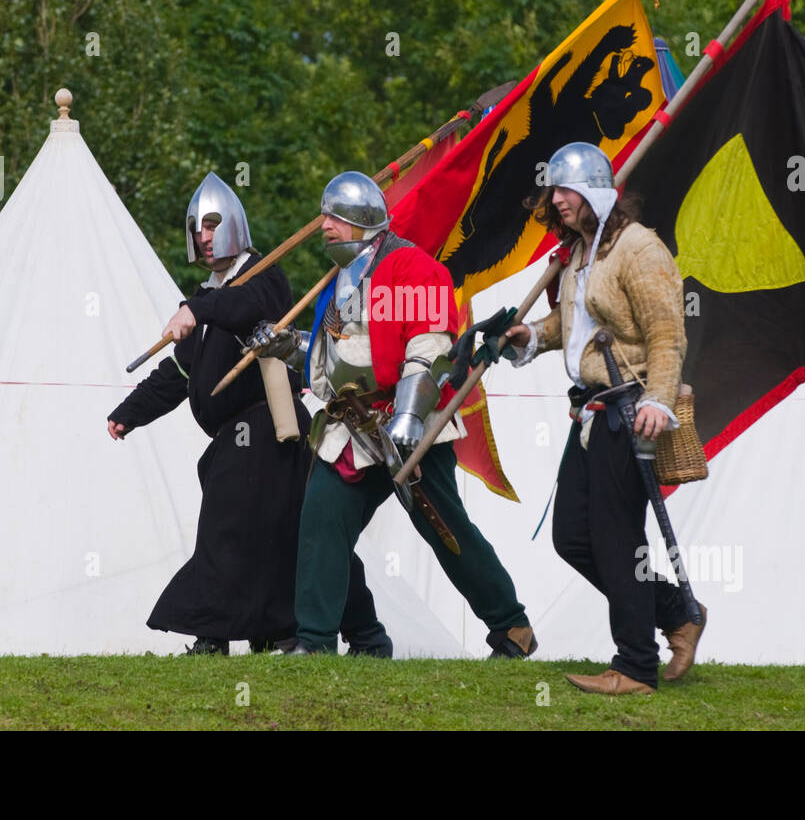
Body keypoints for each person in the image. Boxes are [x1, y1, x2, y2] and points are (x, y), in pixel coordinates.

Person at [251, 171, 537, 658]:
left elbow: (429, 347)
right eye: (324, 216)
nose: (324, 226)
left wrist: (409, 417)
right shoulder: (339, 280)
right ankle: (316, 642)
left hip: (409, 424)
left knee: (445, 529)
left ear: (364, 221)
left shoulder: (410, 267)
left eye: (335, 217)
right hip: (350, 426)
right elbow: (336, 357)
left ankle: (511, 626)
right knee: (321, 521)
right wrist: (289, 345)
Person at [106, 171, 390, 656]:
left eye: (213, 224)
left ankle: (217, 636)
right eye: (197, 227)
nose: (204, 235)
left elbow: (244, 307)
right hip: (238, 441)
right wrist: (129, 413)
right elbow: (178, 373)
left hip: (268, 431)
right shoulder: (207, 299)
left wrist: (199, 310)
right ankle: (310, 632)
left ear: (234, 225)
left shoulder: (262, 278)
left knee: (231, 530)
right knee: (294, 536)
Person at [504, 142, 706, 695]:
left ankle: (636, 666)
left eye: (566, 191)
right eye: (554, 192)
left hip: (628, 409)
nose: (557, 201)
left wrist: (658, 401)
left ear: (594, 192)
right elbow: (572, 326)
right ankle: (675, 609)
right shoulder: (577, 255)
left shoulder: (639, 249)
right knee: (572, 537)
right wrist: (531, 338)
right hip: (590, 411)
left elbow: (668, 334)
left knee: (619, 540)